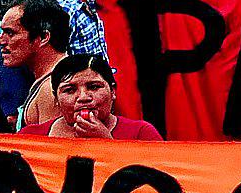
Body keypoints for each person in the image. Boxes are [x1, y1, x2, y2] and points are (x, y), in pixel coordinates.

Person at [18, 54, 161, 140]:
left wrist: (106, 142)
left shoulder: (141, 134)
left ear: (113, 91)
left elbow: (159, 179)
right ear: (56, 98)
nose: (83, 97)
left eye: (94, 87)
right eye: (69, 90)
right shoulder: (30, 137)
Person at [0, 0, 69, 129]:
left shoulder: (51, 90)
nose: (0, 41)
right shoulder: (50, 80)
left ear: (43, 37)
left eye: (10, 33)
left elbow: (54, 142)